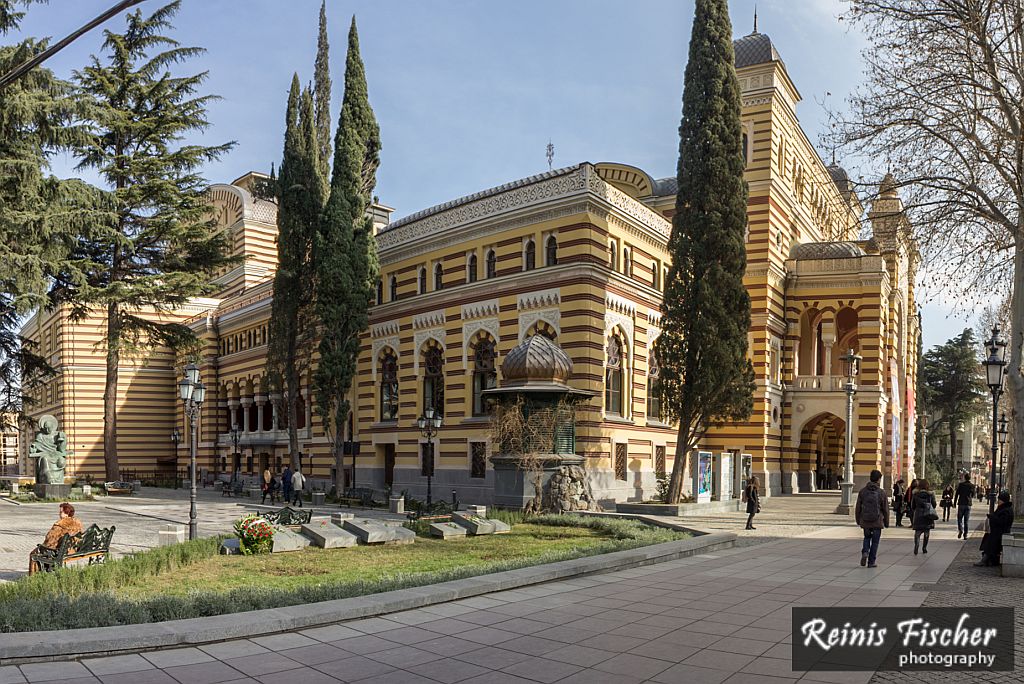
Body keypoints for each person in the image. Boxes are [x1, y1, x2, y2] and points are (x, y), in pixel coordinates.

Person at [28, 502, 83, 575]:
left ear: (67, 513)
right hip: (72, 550)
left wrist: (42, 546)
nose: (59, 514)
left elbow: (49, 540)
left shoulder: (59, 525)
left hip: (58, 551)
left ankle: (35, 575)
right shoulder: (76, 523)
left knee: (34, 553)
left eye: (61, 512)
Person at [856, 469, 889, 568]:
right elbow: (886, 509)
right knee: (875, 542)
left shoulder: (862, 491)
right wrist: (886, 522)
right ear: (879, 479)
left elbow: (858, 507)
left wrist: (858, 520)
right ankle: (871, 562)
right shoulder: (881, 492)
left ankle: (865, 552)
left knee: (866, 537)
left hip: (865, 520)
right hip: (877, 521)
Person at [976, 491, 1014, 567]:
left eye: (999, 500)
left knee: (991, 539)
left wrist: (992, 517)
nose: (998, 501)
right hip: (998, 531)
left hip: (1001, 532)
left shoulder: (1006, 510)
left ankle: (986, 558)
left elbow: (1002, 522)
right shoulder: (1003, 508)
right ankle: (987, 558)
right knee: (988, 536)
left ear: (1003, 500)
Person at [910, 479, 937, 555]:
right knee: (926, 533)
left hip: (918, 514)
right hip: (927, 515)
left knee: (917, 533)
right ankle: (924, 548)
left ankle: (916, 545)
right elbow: (934, 505)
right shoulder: (930, 495)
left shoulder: (915, 494)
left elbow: (913, 506)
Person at [953, 473, 975, 539]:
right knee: (966, 521)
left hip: (961, 504)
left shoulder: (961, 485)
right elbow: (973, 494)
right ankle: (965, 535)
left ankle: (960, 530)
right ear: (970, 478)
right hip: (968, 504)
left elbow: (956, 494)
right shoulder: (972, 485)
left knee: (959, 519)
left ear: (965, 478)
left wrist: (954, 503)